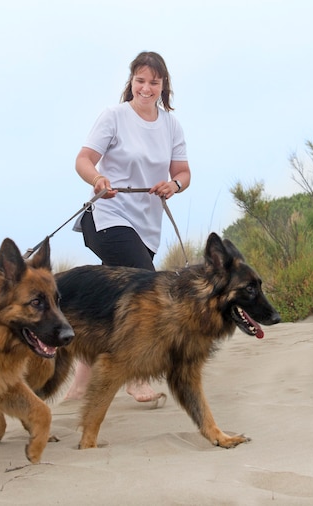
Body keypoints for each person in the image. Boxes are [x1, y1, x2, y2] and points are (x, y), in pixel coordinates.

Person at [66, 51, 191, 405]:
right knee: (145, 291)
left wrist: (174, 186)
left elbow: (182, 173)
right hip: (108, 217)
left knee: (109, 304)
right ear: (131, 82)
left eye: (154, 82)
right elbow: (83, 160)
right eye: (140, 80)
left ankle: (80, 386)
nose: (146, 88)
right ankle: (135, 378)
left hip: (148, 224)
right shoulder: (114, 117)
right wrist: (98, 178)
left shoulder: (171, 125)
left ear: (163, 85)